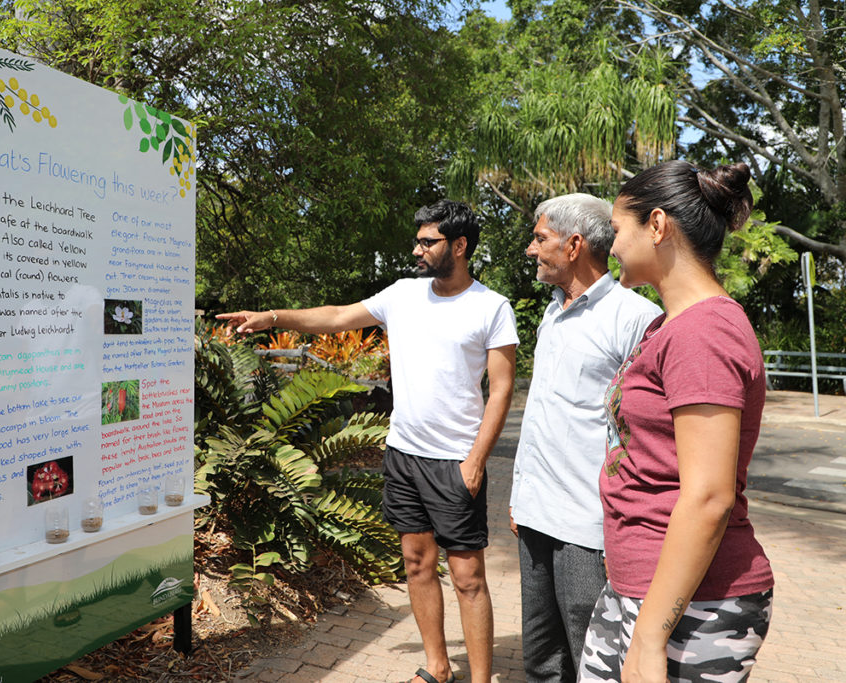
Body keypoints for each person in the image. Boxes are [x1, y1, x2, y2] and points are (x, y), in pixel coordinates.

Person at [219, 199, 519, 683]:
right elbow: (337, 316)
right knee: (417, 564)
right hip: (404, 455)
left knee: (468, 579)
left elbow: (502, 388)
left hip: (455, 461)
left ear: (459, 246)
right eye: (417, 240)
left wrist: (477, 461)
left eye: (428, 241)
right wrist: (272, 317)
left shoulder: (492, 307)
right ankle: (438, 667)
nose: (417, 249)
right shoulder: (402, 294)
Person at [579, 161, 775, 682]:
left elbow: (709, 497)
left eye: (619, 228)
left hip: (695, 606)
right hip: (644, 589)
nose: (611, 244)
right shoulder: (673, 325)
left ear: (658, 226)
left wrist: (648, 638)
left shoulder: (702, 333)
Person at [509, 194, 661, 682]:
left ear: (574, 245)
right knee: (540, 661)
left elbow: (639, 431)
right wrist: (519, 493)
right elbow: (542, 415)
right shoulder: (551, 314)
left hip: (587, 526)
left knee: (591, 661)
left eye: (540, 238)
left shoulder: (634, 318)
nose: (531, 250)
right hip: (534, 516)